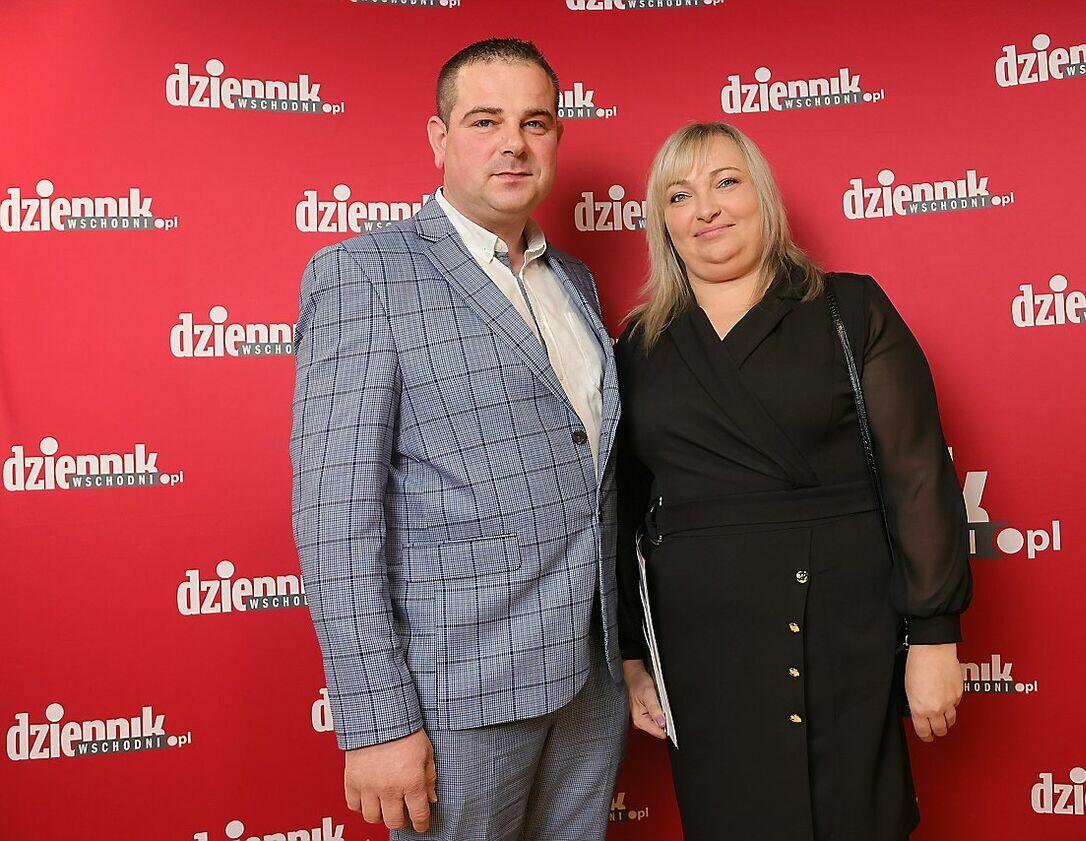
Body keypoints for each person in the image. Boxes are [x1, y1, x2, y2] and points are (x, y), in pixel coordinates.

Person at [289, 39, 627, 841]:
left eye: (534, 122)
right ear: (439, 138)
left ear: (556, 139)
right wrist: (378, 720)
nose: (514, 143)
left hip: (590, 680)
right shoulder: (363, 275)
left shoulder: (574, 280)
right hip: (458, 697)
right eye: (485, 121)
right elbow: (335, 518)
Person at [615, 121, 974, 841]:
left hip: (842, 638)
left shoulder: (850, 309)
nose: (705, 208)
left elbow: (917, 474)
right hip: (702, 657)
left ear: (763, 197)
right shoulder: (638, 344)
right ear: (663, 222)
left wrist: (934, 636)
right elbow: (621, 512)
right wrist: (632, 653)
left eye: (725, 182)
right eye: (679, 195)